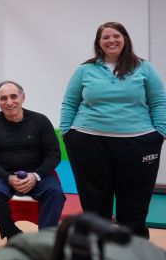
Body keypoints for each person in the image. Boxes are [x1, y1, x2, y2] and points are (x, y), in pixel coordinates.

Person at [60, 22, 166, 238]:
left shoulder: (144, 68)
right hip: (88, 142)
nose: (111, 40)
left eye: (116, 36)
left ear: (125, 39)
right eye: (105, 37)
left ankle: (134, 252)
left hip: (138, 143)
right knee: (94, 204)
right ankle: (97, 251)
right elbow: (70, 103)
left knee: (134, 205)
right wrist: (67, 134)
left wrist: (159, 134)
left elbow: (159, 102)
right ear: (98, 42)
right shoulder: (85, 70)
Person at [0, 81, 65, 240]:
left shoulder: (40, 121)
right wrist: (8, 178)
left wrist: (36, 176)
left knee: (55, 193)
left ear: (23, 97)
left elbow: (54, 154)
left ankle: (45, 241)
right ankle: (13, 235)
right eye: (3, 98)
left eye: (14, 96)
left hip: (37, 174)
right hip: (2, 175)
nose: (9, 102)